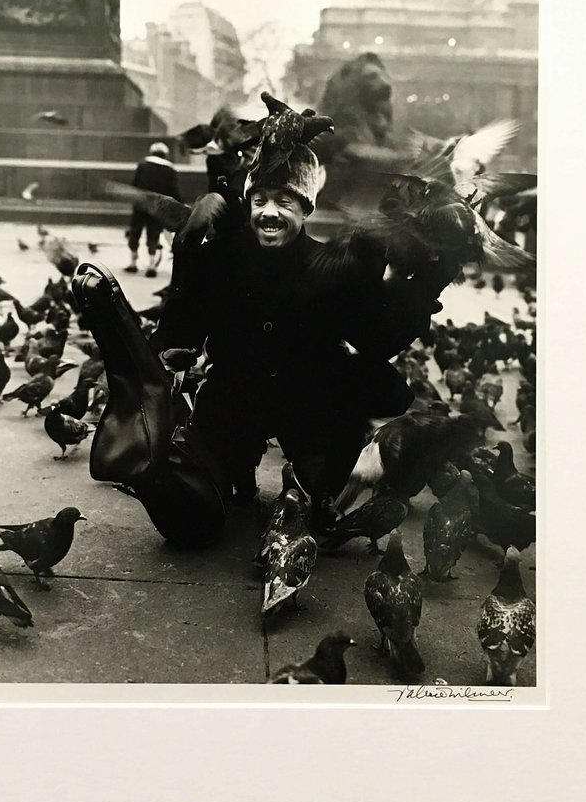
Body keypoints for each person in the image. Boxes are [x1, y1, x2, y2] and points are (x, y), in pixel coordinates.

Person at [148, 101, 451, 533]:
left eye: (285, 201)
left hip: (309, 405)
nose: (270, 212)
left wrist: (421, 289)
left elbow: (376, 338)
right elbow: (182, 329)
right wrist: (188, 256)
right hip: (234, 400)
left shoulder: (330, 263)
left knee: (315, 498)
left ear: (306, 208)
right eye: (261, 200)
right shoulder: (224, 259)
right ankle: (235, 475)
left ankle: (312, 481)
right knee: (198, 509)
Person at [125, 141, 181, 277]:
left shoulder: (142, 165)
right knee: (153, 234)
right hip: (157, 205)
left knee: (135, 231)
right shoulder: (170, 170)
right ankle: (151, 264)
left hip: (141, 203)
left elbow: (135, 185)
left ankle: (133, 262)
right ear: (165, 155)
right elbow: (173, 191)